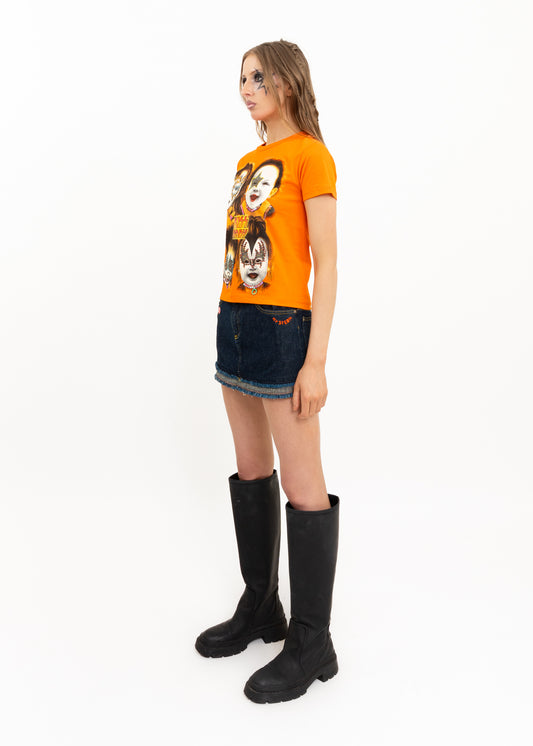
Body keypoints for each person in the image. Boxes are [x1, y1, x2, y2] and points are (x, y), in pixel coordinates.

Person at [195, 39, 340, 704]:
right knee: (251, 468)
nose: (245, 87)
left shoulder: (312, 156)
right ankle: (262, 605)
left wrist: (315, 361)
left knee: (304, 484)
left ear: (287, 82)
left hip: (284, 330)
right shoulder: (247, 162)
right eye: (241, 78)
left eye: (257, 77)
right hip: (235, 321)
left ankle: (312, 641)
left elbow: (327, 264)